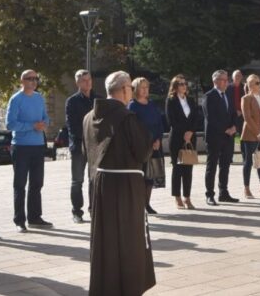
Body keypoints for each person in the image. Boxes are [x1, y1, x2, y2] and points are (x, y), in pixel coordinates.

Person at [84, 71, 155, 296]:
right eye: (130, 90)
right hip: (126, 184)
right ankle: (128, 288)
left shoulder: (88, 117)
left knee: (106, 240)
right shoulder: (126, 117)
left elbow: (88, 151)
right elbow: (143, 152)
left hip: (101, 184)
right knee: (129, 239)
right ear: (124, 89)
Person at [6, 69, 52, 231]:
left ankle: (35, 217)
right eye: (29, 78)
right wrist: (31, 126)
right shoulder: (16, 99)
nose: (33, 81)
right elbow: (10, 124)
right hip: (21, 146)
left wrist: (44, 123)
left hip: (38, 146)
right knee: (20, 184)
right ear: (22, 81)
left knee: (37, 183)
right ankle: (19, 220)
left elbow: (46, 117)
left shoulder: (39, 98)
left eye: (35, 78)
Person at [128, 77, 167, 215]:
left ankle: (147, 204)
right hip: (142, 146)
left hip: (155, 145)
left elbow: (159, 123)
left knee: (150, 178)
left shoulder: (151, 104)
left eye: (147, 87)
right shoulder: (132, 106)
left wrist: (158, 139)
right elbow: (135, 127)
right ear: (136, 89)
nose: (145, 90)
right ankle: (138, 205)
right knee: (141, 177)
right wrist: (148, 142)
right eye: (142, 87)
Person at [203, 69, 240, 205]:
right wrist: (225, 129)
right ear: (215, 81)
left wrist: (234, 127)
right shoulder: (209, 96)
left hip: (228, 137)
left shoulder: (227, 95)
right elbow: (211, 118)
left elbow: (233, 114)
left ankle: (223, 192)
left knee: (225, 165)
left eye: (227, 80)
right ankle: (209, 194)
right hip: (215, 137)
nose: (226, 82)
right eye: (223, 80)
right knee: (212, 166)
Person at [65, 69, 96, 223]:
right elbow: (73, 126)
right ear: (77, 82)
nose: (87, 82)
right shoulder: (72, 101)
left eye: (89, 79)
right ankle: (77, 212)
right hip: (79, 146)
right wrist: (86, 138)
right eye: (84, 80)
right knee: (77, 180)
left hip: (95, 147)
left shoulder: (98, 99)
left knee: (94, 180)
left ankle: (94, 209)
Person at [165, 75, 199, 209]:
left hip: (190, 138)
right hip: (177, 138)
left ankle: (187, 197)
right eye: (181, 84)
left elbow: (196, 117)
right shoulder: (171, 100)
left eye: (185, 83)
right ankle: (177, 197)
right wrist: (184, 133)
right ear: (175, 86)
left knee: (188, 169)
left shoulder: (190, 100)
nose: (184, 86)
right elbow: (171, 120)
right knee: (177, 168)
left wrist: (190, 132)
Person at [240, 73, 260, 198]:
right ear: (250, 85)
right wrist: (257, 133)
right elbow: (247, 118)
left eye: (259, 82)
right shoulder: (246, 99)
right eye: (257, 83)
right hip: (251, 133)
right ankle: (246, 188)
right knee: (248, 161)